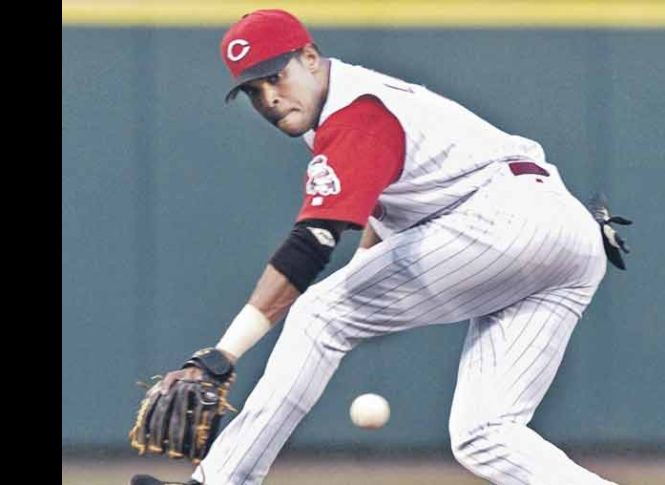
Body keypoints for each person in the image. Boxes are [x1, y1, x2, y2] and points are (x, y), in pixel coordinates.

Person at [132, 8, 628, 485]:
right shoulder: (358, 106)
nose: (269, 98)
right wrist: (361, 285)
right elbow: (386, 218)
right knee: (485, 434)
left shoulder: (356, 115)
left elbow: (311, 245)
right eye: (253, 90)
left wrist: (222, 354)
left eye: (275, 77)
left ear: (309, 57)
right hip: (565, 234)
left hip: (505, 218)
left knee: (319, 313)